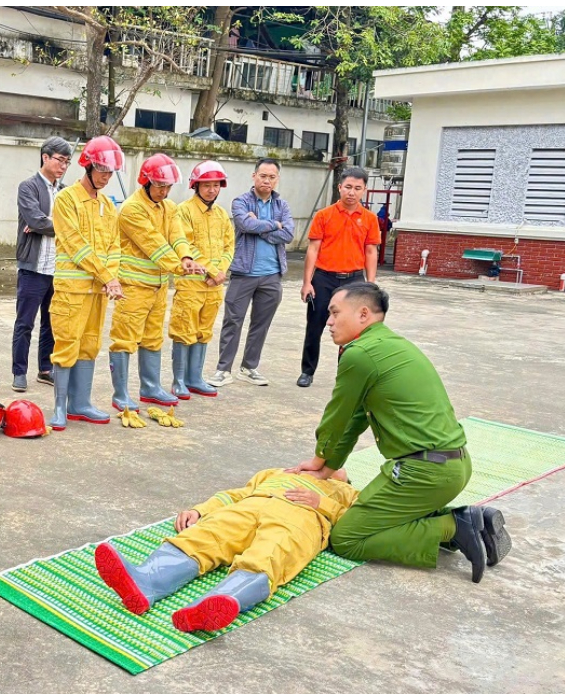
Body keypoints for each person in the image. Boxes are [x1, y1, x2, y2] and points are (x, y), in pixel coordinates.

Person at [287, 282, 512, 583]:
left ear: (363, 314)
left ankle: (455, 526)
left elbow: (337, 416)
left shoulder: (360, 354)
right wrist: (330, 466)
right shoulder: (391, 345)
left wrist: (318, 459)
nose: (328, 322)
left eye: (335, 313)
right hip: (453, 465)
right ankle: (472, 524)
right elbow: (357, 417)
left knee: (347, 537)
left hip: (422, 473)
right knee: (373, 516)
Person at [95, 467, 357, 632]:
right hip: (250, 506)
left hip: (302, 517)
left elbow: (357, 522)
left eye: (338, 466)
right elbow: (234, 495)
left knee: (269, 553)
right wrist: (200, 510)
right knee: (206, 535)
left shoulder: (345, 491)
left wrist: (323, 503)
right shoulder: (276, 473)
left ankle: (217, 603)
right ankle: (146, 582)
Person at [108, 153, 204, 414]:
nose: (164, 191)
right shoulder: (131, 209)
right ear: (146, 182)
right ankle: (121, 394)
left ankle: (150, 387)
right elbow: (153, 243)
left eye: (168, 186)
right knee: (124, 340)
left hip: (159, 287)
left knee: (152, 338)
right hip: (134, 287)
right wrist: (179, 266)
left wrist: (186, 256)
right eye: (160, 185)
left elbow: (177, 236)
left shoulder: (169, 208)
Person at [48, 136, 124, 431]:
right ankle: (59, 406)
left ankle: (80, 403)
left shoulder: (107, 204)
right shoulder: (66, 199)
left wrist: (110, 278)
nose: (106, 176)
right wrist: (107, 276)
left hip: (98, 292)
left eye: (110, 171)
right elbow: (75, 245)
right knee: (67, 343)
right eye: (102, 170)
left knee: (90, 344)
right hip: (72, 290)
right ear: (88, 166)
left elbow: (114, 246)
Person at [210, 158, 293, 388]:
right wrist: (274, 225)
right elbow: (246, 225)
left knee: (261, 323)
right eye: (263, 176)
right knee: (233, 321)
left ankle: (249, 367)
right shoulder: (241, 201)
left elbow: (288, 235)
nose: (267, 181)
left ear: (277, 179)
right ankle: (223, 369)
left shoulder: (282, 206)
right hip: (244, 272)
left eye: (272, 177)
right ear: (254, 176)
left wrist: (263, 226)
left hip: (272, 274)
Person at [297, 166, 381, 388]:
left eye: (357, 188)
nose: (352, 192)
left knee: (353, 329)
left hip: (354, 280)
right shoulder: (324, 215)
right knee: (315, 326)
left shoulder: (370, 219)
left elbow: (370, 251)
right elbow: (313, 249)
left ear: (364, 190)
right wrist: (307, 282)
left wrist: (371, 284)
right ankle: (307, 371)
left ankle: (346, 374)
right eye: (348, 187)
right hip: (323, 279)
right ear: (339, 187)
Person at [169, 160, 235, 400]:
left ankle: (195, 378)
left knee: (204, 331)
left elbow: (229, 246)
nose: (211, 190)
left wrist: (220, 272)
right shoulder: (184, 211)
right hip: (191, 284)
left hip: (214, 286)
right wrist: (211, 271)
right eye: (207, 185)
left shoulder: (221, 214)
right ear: (196, 186)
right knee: (184, 329)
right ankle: (179, 380)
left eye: (216, 185)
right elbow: (186, 245)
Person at [11, 136, 72, 392]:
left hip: (58, 267)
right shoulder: (28, 187)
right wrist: (54, 225)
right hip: (33, 267)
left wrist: (44, 224)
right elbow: (35, 220)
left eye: (67, 162)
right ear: (45, 157)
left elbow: (65, 223)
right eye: (60, 160)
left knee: (52, 321)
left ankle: (45, 369)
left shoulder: (66, 192)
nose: (63, 166)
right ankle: (19, 372)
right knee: (25, 322)